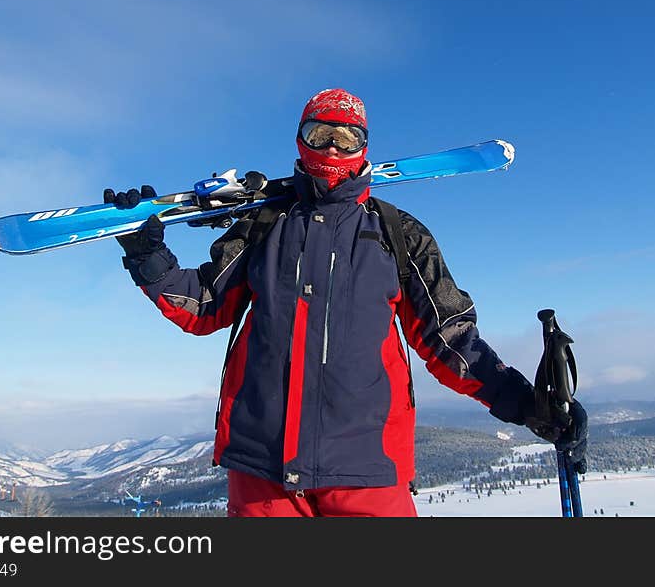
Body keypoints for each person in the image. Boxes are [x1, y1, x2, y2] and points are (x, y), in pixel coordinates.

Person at [105, 88, 588, 517]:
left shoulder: (400, 235)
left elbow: (450, 340)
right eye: (319, 134)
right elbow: (206, 306)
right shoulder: (265, 224)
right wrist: (150, 258)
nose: (332, 148)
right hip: (262, 471)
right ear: (300, 140)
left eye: (346, 137)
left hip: (366, 469)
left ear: (364, 146)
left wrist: (526, 403)